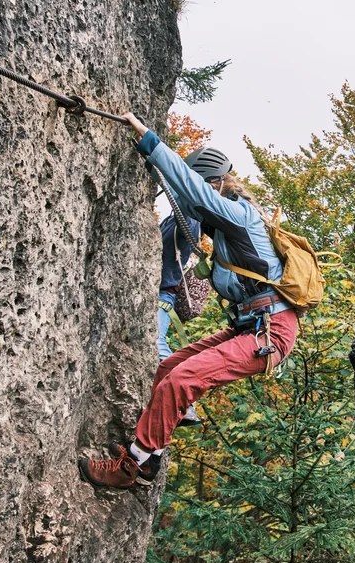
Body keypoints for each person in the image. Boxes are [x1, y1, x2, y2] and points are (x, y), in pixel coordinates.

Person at [78, 113, 299, 489]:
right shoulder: (225, 226)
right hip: (249, 327)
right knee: (169, 369)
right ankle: (151, 462)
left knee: (182, 380)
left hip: (270, 332)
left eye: (199, 190)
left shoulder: (240, 217)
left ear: (214, 185)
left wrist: (149, 142)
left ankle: (129, 467)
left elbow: (192, 191)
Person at [156, 213, 204, 427]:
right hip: (157, 289)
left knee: (156, 341)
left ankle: (185, 403)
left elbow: (191, 233)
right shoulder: (171, 219)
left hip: (163, 293)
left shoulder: (190, 220)